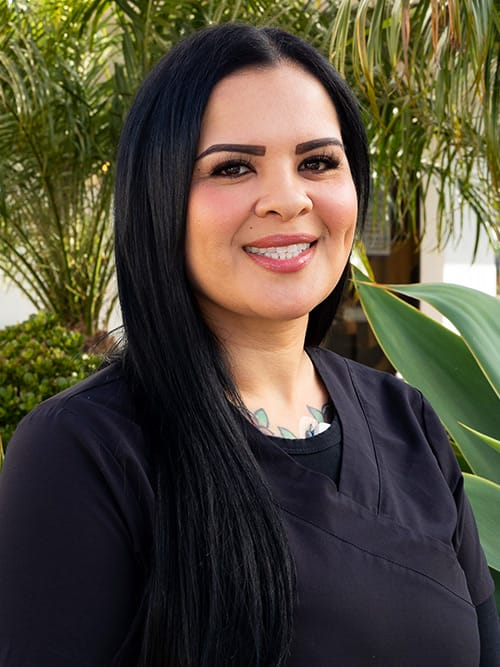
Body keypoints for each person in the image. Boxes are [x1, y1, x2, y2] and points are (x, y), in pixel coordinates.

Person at [0, 22, 498, 667]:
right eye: (233, 167)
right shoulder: (87, 448)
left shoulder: (408, 421)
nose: (288, 200)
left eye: (318, 162)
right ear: (159, 196)